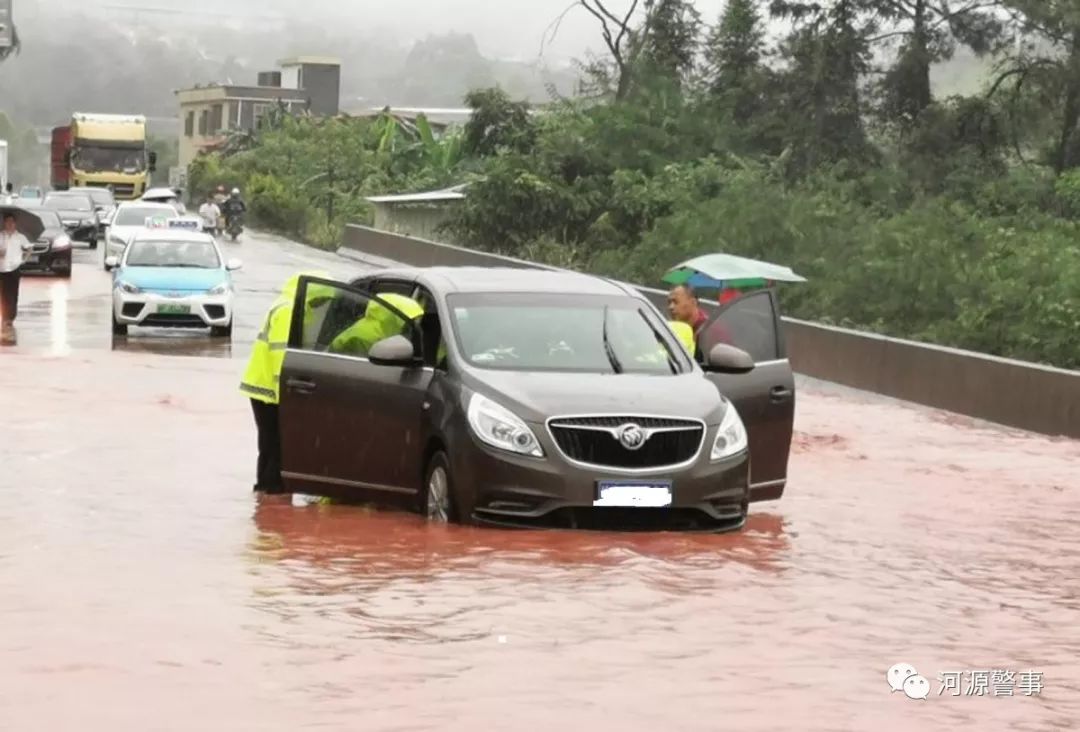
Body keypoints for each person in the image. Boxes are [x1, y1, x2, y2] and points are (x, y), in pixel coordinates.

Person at [239, 271, 334, 493]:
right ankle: (272, 490)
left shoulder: (290, 304)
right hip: (269, 389)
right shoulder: (289, 310)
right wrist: (287, 395)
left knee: (270, 442)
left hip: (264, 387)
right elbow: (280, 355)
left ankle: (266, 489)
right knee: (276, 443)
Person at [329, 293, 423, 356]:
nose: (412, 325)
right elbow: (367, 370)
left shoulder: (380, 330)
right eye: (409, 319)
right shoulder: (365, 336)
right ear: (393, 317)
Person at [0, 212, 31, 328]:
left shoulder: (20, 237)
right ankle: (4, 316)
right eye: (7, 222)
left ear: (15, 224)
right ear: (4, 223)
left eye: (12, 222)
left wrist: (24, 259)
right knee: (3, 294)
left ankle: (10, 316)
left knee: (13, 294)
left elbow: (29, 248)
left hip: (14, 268)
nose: (10, 224)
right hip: (2, 268)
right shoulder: (1, 236)